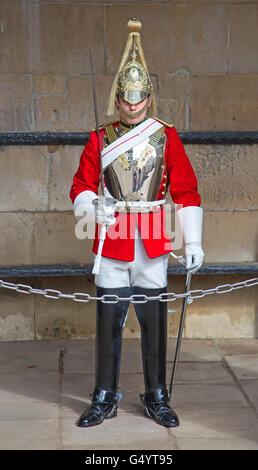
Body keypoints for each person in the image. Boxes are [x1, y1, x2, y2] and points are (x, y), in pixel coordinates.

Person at [69, 18, 204, 428]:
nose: (131, 106)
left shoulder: (166, 136)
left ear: (148, 96)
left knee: (155, 324)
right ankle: (105, 395)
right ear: (118, 98)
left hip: (151, 238)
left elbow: (186, 191)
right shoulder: (99, 137)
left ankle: (157, 394)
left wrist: (193, 241)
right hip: (113, 237)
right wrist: (92, 208)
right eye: (125, 100)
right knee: (109, 322)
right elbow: (79, 186)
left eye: (138, 99)